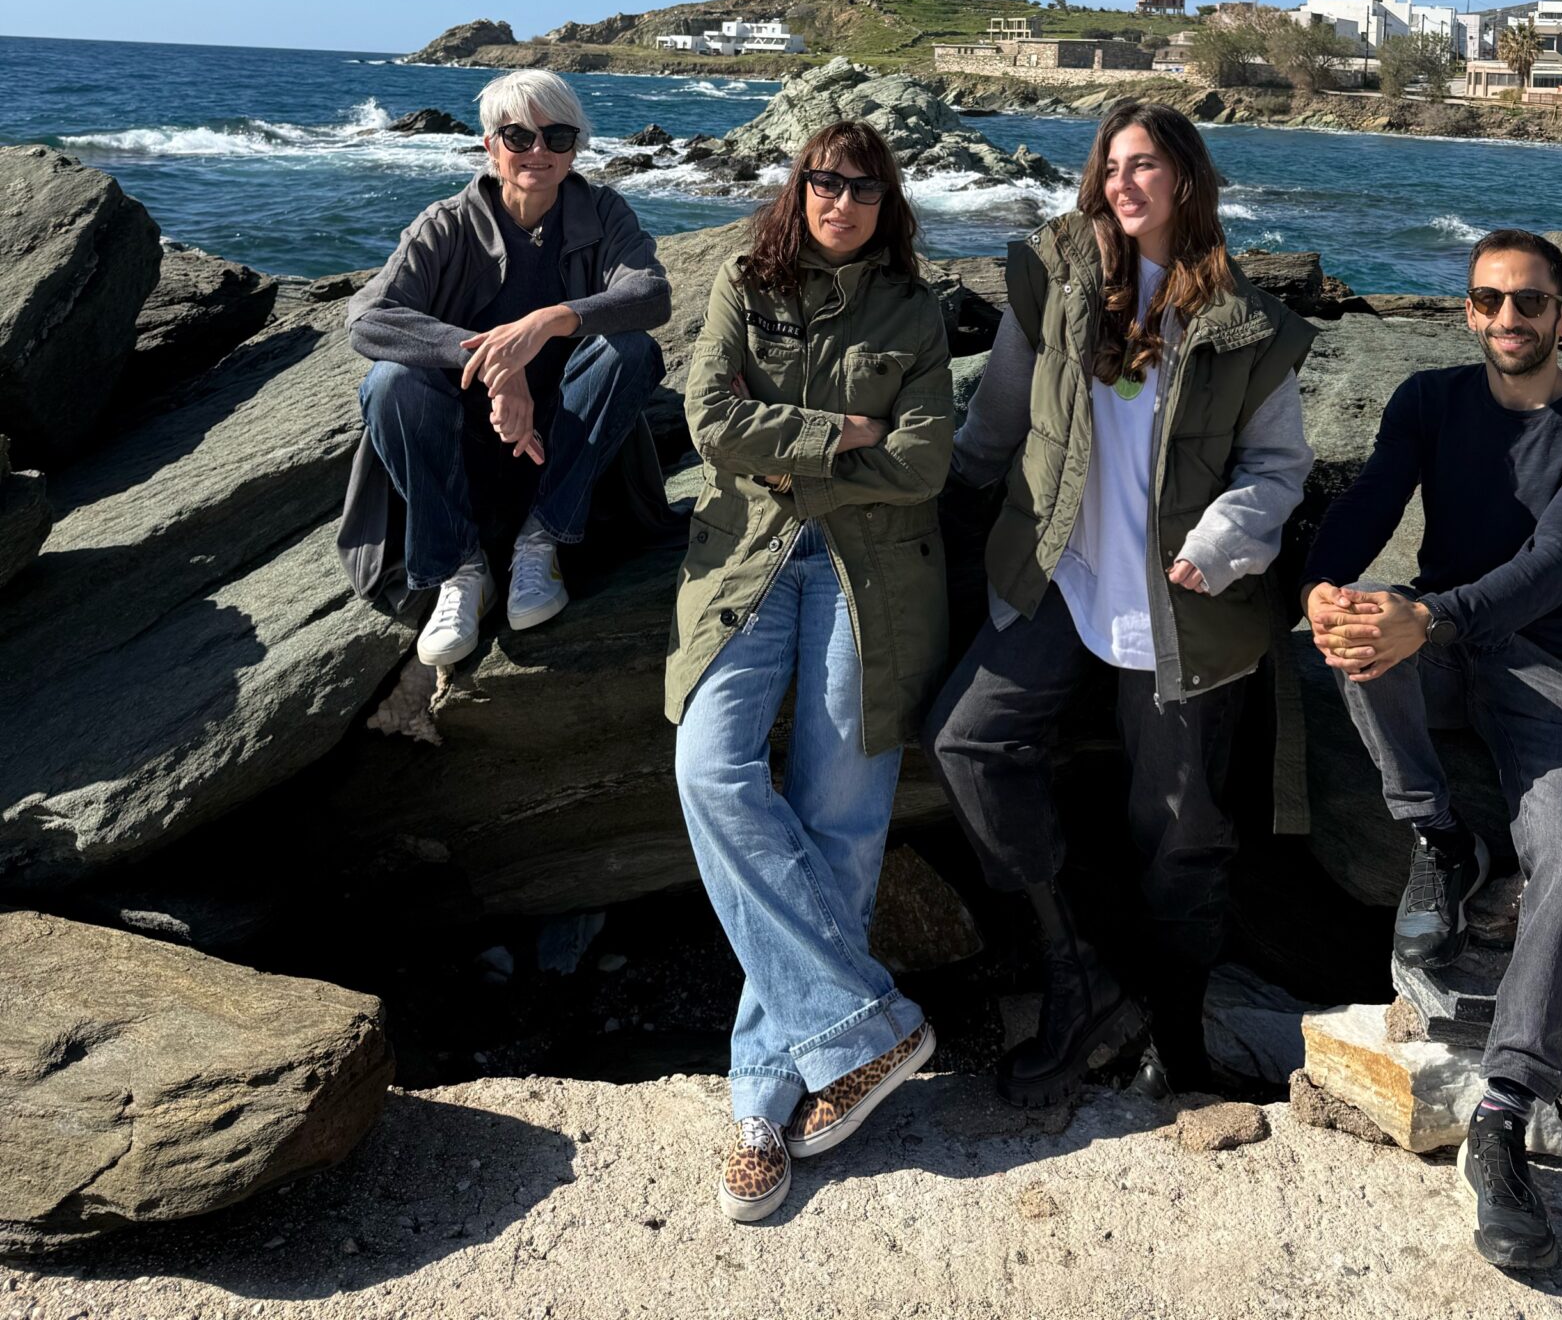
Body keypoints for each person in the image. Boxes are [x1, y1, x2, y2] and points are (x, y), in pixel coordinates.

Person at [926, 101, 1316, 1104]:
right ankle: (1079, 973)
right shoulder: (1055, 277)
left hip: (1184, 602)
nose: (1122, 183)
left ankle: (1177, 1039)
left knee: (1182, 832)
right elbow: (997, 414)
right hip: (1059, 569)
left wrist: (1222, 542)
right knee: (967, 743)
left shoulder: (1247, 324)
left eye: (1142, 165)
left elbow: (1277, 468)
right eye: (1109, 166)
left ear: (1184, 177)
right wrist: (942, 496)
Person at [1300, 227, 1562, 1276]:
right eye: (1489, 300)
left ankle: (1503, 1112)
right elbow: (1370, 499)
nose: (1508, 317)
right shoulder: (1427, 399)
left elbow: (1553, 567)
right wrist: (1321, 586)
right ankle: (1439, 837)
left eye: (1528, 301)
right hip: (1441, 644)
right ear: (1466, 311)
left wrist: (1430, 615)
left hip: (1543, 666)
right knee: (1356, 633)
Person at [667, 118, 954, 1224]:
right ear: (799, 190)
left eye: (864, 187)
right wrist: (840, 430)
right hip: (744, 559)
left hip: (867, 570)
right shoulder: (746, 283)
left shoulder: (914, 309)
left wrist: (787, 450)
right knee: (709, 769)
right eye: (825, 182)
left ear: (887, 204)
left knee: (841, 820)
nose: (842, 200)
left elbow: (922, 460)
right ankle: (867, 1029)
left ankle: (760, 1106)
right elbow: (710, 421)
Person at [342, 71, 668, 664]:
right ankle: (461, 569)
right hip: (460, 442)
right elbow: (368, 318)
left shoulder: (602, 212)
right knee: (389, 382)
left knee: (630, 350)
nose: (538, 150)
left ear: (576, 147)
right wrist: (497, 363)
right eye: (519, 136)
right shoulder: (446, 224)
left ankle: (542, 540)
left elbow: (649, 295)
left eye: (558, 136)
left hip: (565, 440)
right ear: (491, 145)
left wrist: (545, 322)